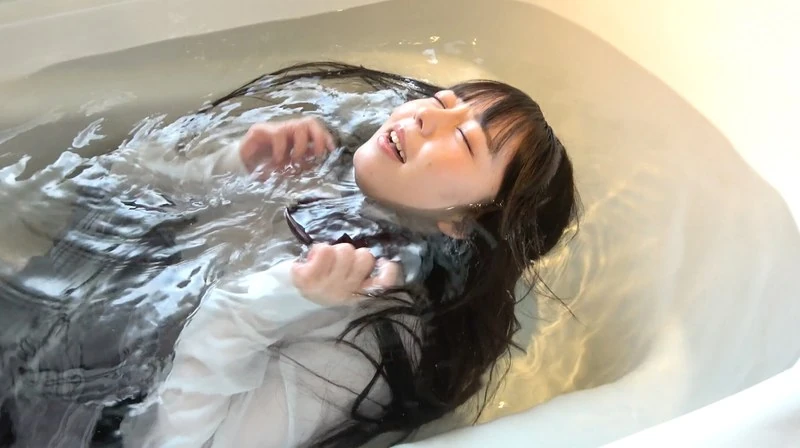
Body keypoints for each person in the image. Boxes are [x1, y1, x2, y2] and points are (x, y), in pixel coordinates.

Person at [0, 62, 578, 448]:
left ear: (464, 223)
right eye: (441, 101)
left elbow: (172, 440)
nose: (423, 114)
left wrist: (272, 301)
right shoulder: (326, 175)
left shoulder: (376, 329)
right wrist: (230, 164)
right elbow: (116, 188)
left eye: (464, 139)